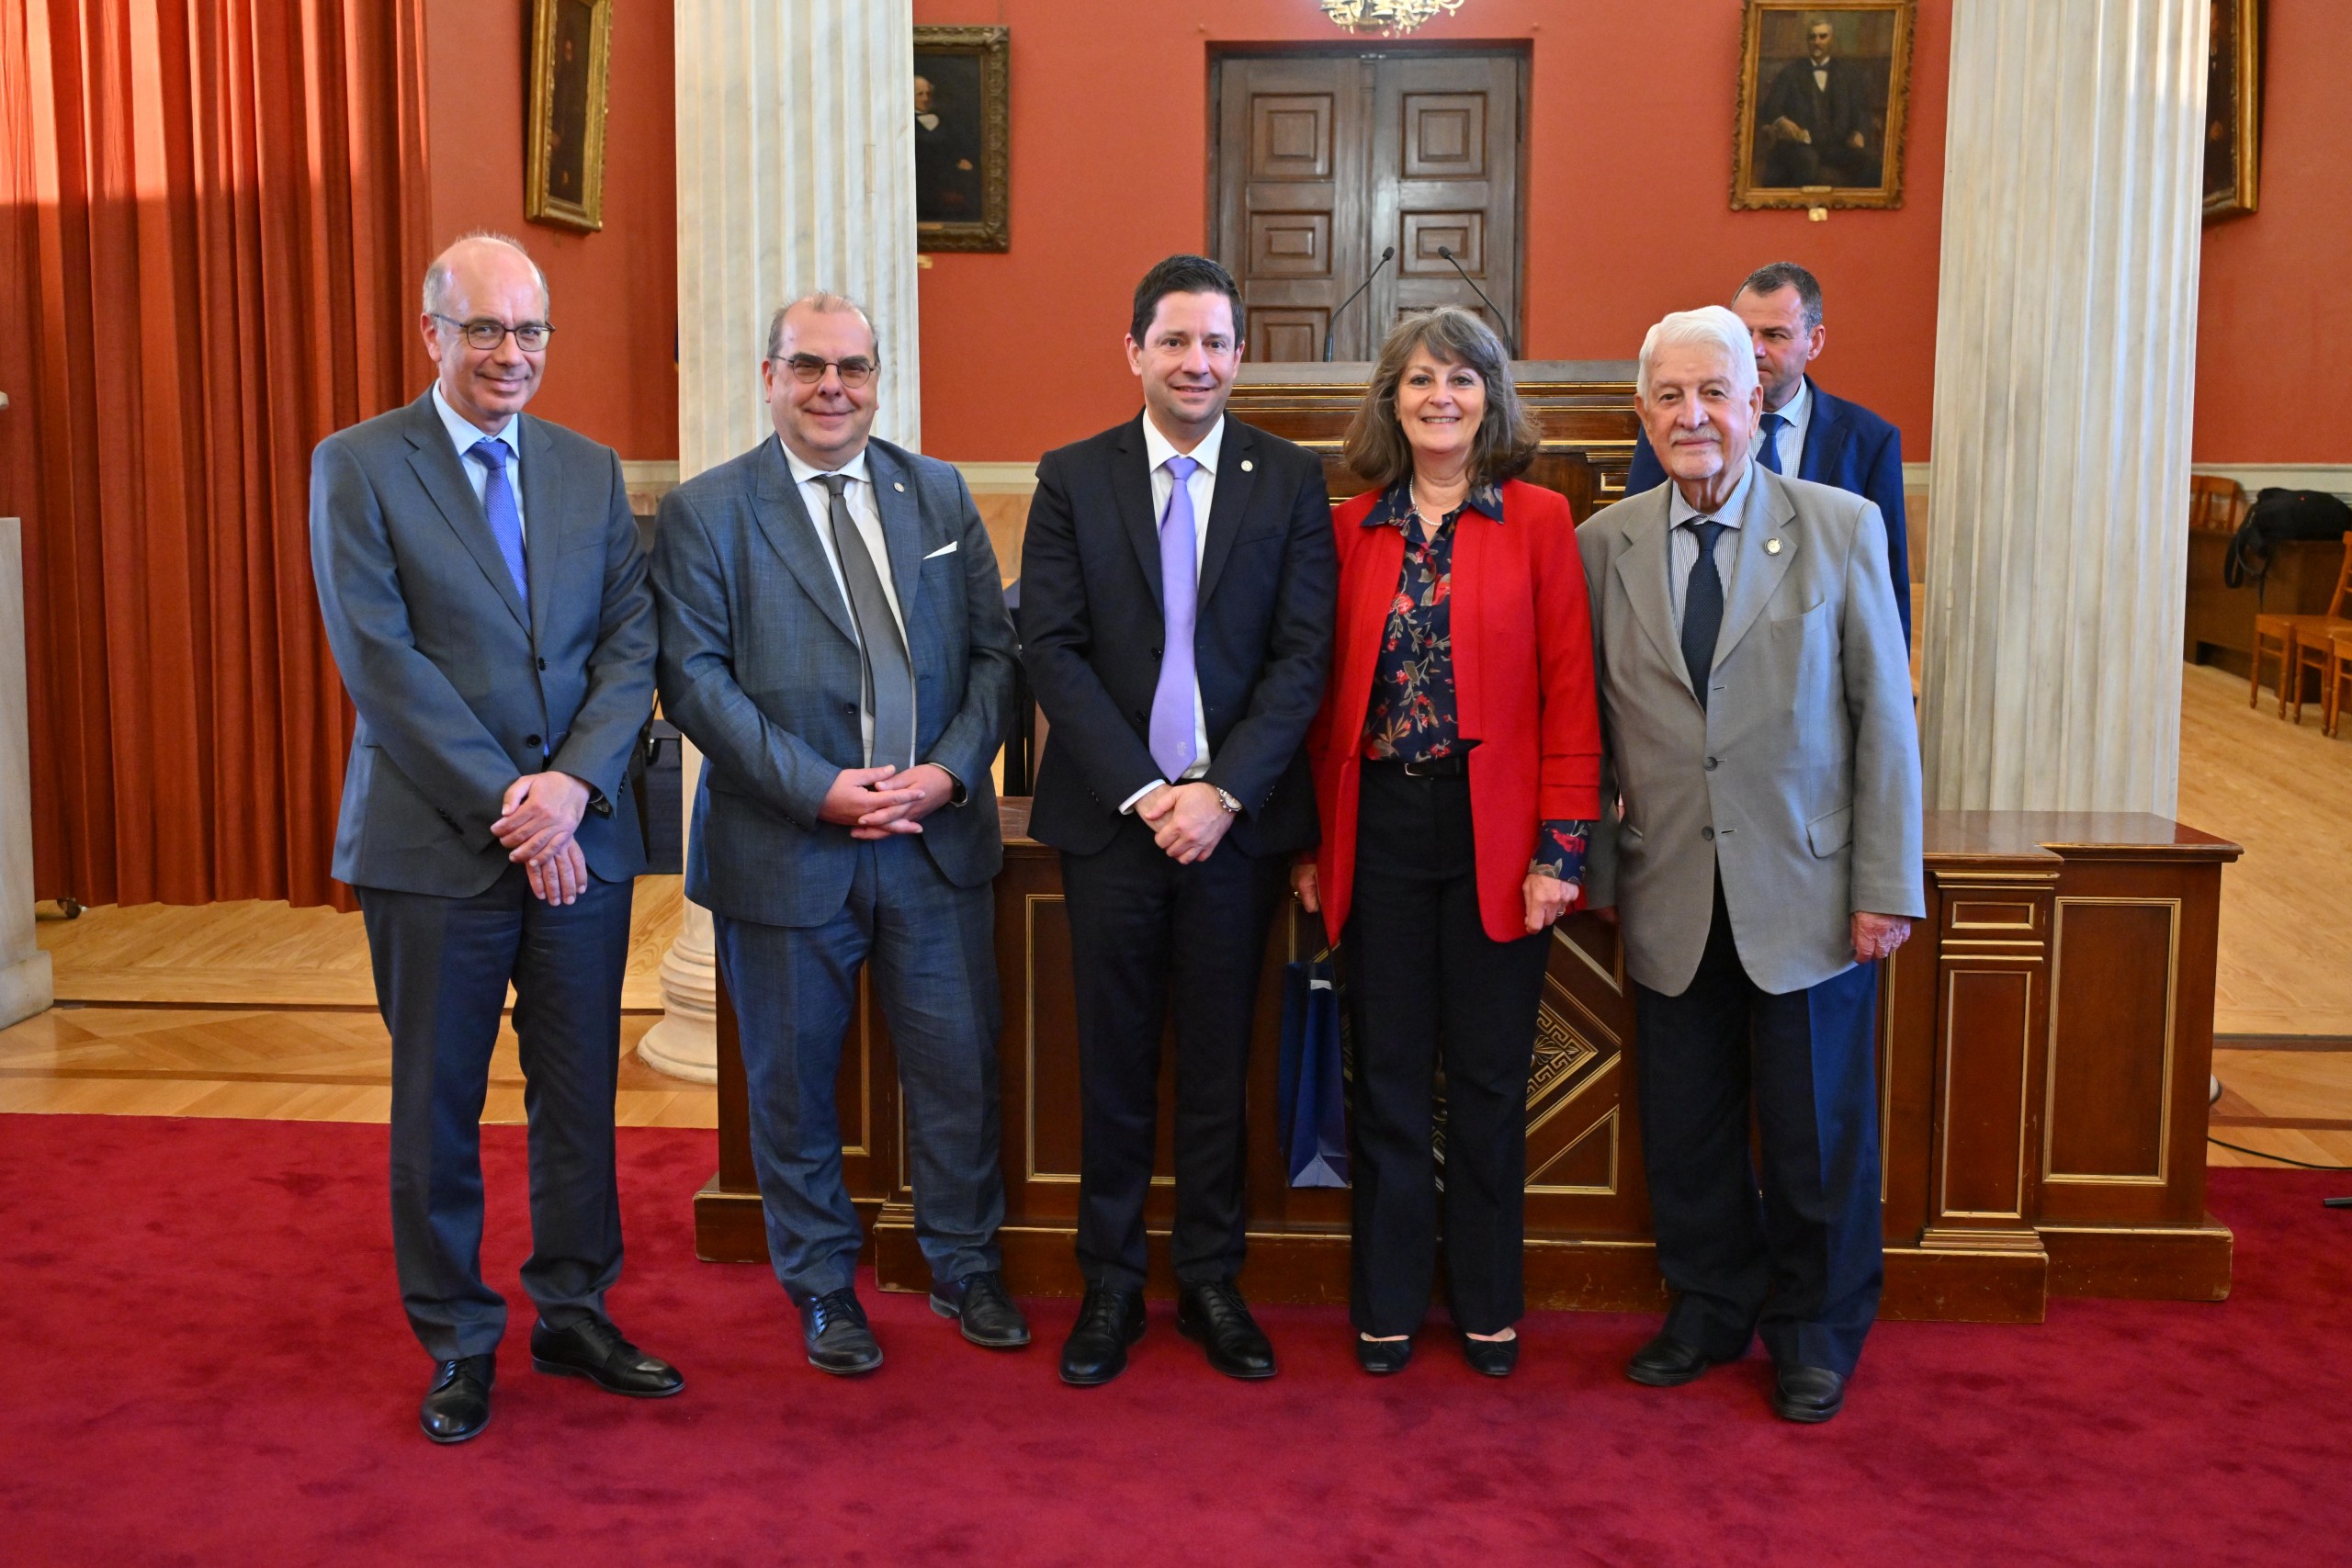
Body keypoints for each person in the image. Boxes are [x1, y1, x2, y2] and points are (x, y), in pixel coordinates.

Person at [310, 232, 680, 1445]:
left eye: (528, 330)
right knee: (439, 1102)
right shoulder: (359, 465)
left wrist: (571, 786)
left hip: (581, 839)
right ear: (432, 334)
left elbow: (629, 642)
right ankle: (459, 1339)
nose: (510, 353)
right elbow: (381, 661)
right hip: (435, 846)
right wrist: (515, 803)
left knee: (579, 1092)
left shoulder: (587, 468)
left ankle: (574, 1309)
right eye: (483, 329)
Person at [650, 292, 1023, 1376]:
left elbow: (996, 657)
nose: (832, 387)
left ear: (877, 379)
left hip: (931, 842)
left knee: (957, 1071)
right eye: (808, 365)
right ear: (768, 376)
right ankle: (820, 1286)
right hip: (785, 846)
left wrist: (948, 772)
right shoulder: (708, 511)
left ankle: (962, 1263)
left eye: (853, 368)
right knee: (791, 1086)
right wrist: (819, 790)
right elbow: (695, 682)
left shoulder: (937, 492)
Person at [1581, 305, 1923, 1424]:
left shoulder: (1840, 526)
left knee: (1815, 1130)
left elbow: (1884, 721)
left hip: (1810, 894)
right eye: (1669, 397)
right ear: (1643, 413)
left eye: (1714, 394)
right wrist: (1595, 872)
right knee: (1686, 1126)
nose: (1693, 416)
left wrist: (1885, 884)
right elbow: (1584, 727)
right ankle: (1708, 1306)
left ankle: (1815, 1329)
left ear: (1757, 403)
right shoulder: (1603, 545)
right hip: (1668, 889)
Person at [1019, 254, 1337, 1387]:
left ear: (1239, 356)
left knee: (1217, 1063)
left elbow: (1303, 657)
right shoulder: (1072, 478)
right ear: (1134, 352)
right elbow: (1051, 648)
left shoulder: (1288, 480)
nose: (1195, 362)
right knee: (1110, 1063)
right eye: (1174, 341)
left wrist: (1220, 792)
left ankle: (1209, 1279)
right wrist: (1149, 792)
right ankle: (1108, 1283)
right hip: (1115, 823)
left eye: (1214, 343)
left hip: (1234, 827)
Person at [1292, 307, 1600, 1379]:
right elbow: (1315, 702)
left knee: (1486, 1080)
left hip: (1498, 833)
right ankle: (1384, 1301)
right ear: (1391, 398)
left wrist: (1562, 850)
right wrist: (1309, 846)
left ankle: (1485, 1301)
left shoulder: (1540, 521)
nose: (1440, 397)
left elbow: (1570, 694)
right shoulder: (1346, 530)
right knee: (1382, 1075)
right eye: (1421, 378)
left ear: (1489, 399)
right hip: (1374, 827)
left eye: (1461, 379)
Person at [1626, 262, 1912, 644]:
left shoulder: (1869, 440)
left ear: (1815, 341)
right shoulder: (1682, 431)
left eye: (1774, 335)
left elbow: (1886, 587)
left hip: (1811, 651)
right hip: (1696, 632)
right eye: (1744, 334)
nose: (1755, 349)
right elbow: (1640, 540)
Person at [1755, 16, 1877, 187]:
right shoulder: (1791, 73)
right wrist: (1781, 121)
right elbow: (1770, 108)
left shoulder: (1848, 74)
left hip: (1838, 145)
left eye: (1822, 36)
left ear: (1831, 39)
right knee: (1807, 163)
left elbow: (1862, 111)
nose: (1816, 42)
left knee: (1869, 163)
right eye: (1812, 37)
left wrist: (1860, 133)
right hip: (1801, 145)